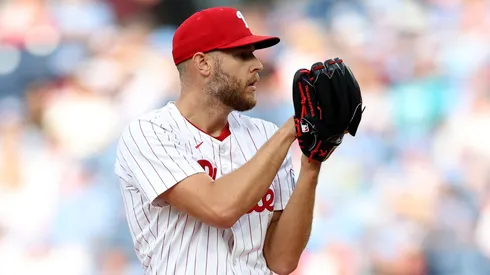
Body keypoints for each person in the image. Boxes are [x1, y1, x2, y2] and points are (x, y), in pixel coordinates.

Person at [114, 6, 322, 275]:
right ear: (203, 63)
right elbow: (219, 208)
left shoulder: (265, 135)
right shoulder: (150, 132)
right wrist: (289, 132)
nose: (257, 64)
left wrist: (311, 166)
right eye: (242, 55)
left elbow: (282, 261)